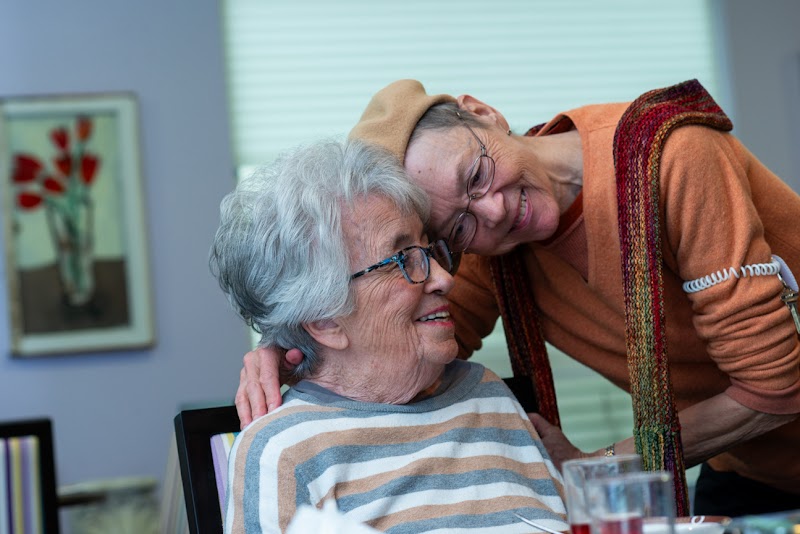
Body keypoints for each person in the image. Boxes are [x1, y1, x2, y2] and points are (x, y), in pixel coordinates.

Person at [235, 80, 800, 517]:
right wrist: (293, 346)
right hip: (756, 468)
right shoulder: (486, 254)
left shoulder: (672, 157)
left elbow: (777, 387)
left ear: (483, 112)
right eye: (454, 227)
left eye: (476, 173)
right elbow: (396, 342)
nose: (493, 210)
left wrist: (591, 467)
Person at [210, 139, 568, 533]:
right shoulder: (283, 451)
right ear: (326, 320)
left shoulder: (485, 393)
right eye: (402, 261)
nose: (445, 279)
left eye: (429, 250)